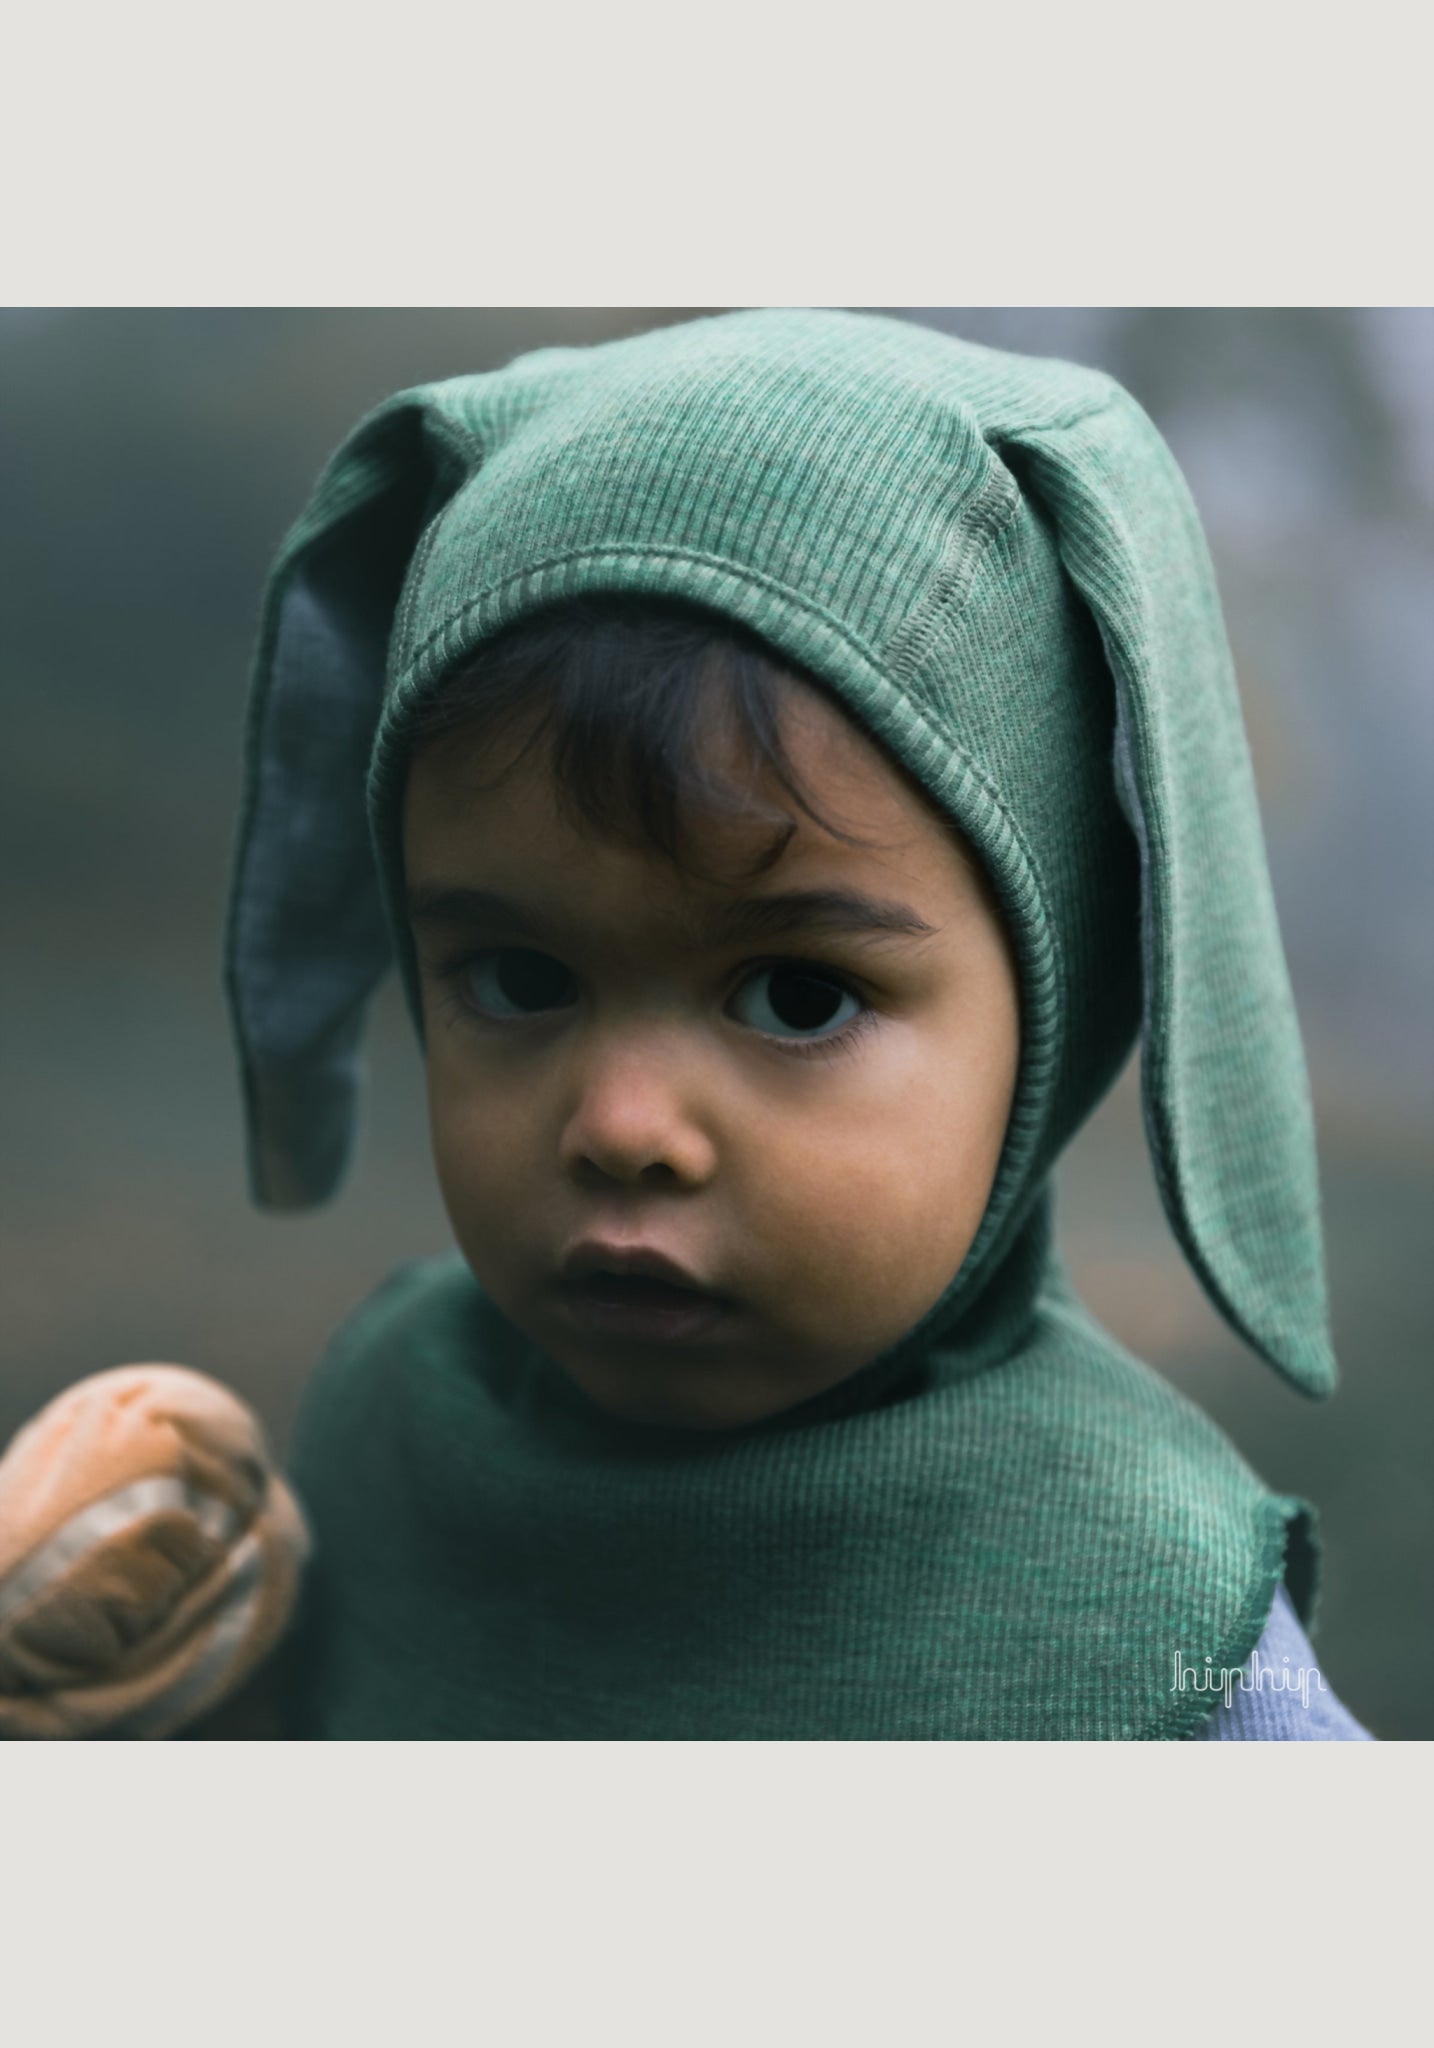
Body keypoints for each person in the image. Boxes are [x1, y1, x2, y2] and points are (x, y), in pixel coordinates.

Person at [156, 311, 1381, 1735]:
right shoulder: (390, 1425)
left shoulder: (1145, 1625)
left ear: (1056, 1012)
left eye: (797, 997)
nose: (620, 1127)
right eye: (515, 977)